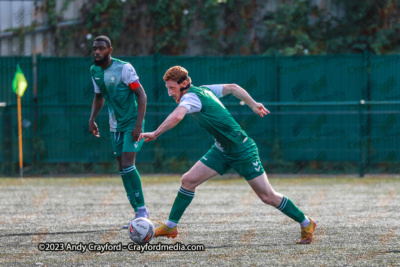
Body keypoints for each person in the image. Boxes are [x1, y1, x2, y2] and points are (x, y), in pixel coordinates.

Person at [138, 66, 317, 244]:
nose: (169, 93)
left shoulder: (191, 97)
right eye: (167, 88)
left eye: (172, 88)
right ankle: (171, 226)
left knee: (267, 196)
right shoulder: (205, 90)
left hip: (242, 150)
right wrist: (253, 104)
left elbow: (177, 117)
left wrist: (155, 133)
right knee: (188, 181)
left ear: (184, 83)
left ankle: (306, 222)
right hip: (221, 150)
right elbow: (232, 87)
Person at [88, 36, 149, 228]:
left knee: (128, 164)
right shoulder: (94, 70)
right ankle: (136, 213)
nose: (97, 52)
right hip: (114, 126)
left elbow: (142, 95)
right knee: (122, 169)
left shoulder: (124, 68)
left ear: (110, 50)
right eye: (94, 48)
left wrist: (138, 126)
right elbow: (99, 97)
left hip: (132, 123)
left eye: (101, 49)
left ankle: (143, 211)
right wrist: (92, 119)